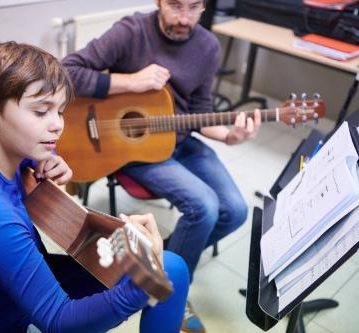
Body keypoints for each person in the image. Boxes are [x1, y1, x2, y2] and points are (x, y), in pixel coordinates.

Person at [0, 41, 189, 333]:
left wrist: (47, 158)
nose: (57, 125)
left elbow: (16, 145)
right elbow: (58, 321)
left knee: (174, 268)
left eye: (60, 111)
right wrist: (146, 284)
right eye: (41, 112)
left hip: (6, 282)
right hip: (1, 317)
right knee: (169, 274)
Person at [62, 1, 262, 332]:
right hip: (133, 149)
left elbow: (200, 111)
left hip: (182, 141)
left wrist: (230, 137)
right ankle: (172, 293)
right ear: (158, 1)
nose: (184, 18)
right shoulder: (131, 31)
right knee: (204, 207)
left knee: (236, 210)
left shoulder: (208, 46)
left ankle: (158, 257)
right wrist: (130, 82)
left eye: (194, 7)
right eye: (175, 5)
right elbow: (66, 70)